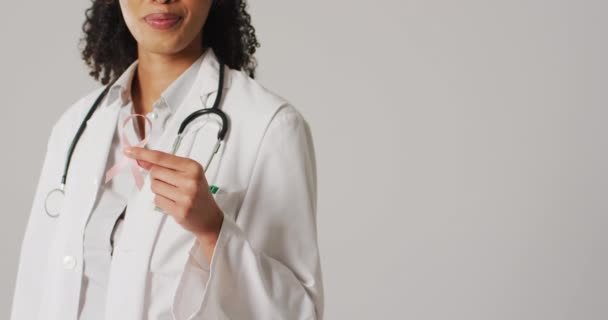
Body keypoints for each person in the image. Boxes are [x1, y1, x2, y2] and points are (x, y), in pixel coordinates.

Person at [10, 0, 323, 319]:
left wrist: (213, 230)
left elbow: (297, 312)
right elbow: (33, 290)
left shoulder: (270, 126)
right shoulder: (75, 126)